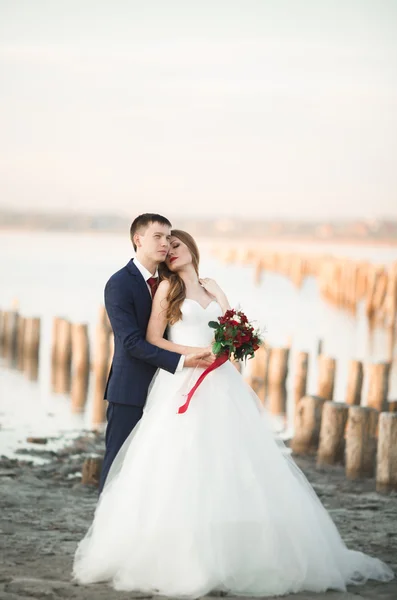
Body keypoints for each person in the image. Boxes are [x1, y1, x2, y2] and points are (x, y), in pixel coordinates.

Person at [73, 230, 394, 598]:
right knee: (180, 462)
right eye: (166, 247)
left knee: (232, 463)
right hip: (184, 379)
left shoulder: (213, 288)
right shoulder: (167, 289)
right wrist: (192, 354)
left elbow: (230, 329)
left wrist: (223, 308)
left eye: (176, 245)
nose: (170, 252)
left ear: (191, 249)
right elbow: (153, 339)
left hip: (221, 382)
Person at [99, 215, 213, 492]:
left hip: (169, 390)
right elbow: (131, 342)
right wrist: (183, 360)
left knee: (156, 469)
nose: (165, 244)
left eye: (168, 237)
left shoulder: (170, 282)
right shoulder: (120, 283)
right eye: (158, 237)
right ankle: (106, 529)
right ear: (138, 240)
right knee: (119, 464)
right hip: (132, 390)